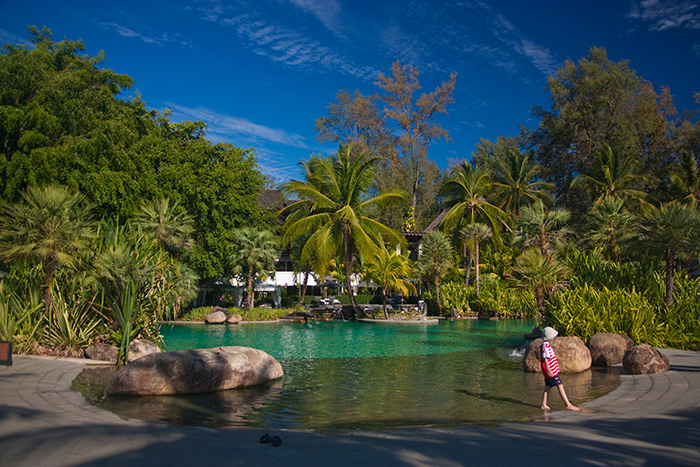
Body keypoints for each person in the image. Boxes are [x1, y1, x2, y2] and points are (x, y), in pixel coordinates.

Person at [540, 326, 580, 411]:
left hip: (548, 370)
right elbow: (546, 358)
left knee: (548, 386)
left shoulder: (544, 345)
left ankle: (544, 404)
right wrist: (549, 369)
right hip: (550, 371)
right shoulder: (546, 346)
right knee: (560, 385)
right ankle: (568, 404)